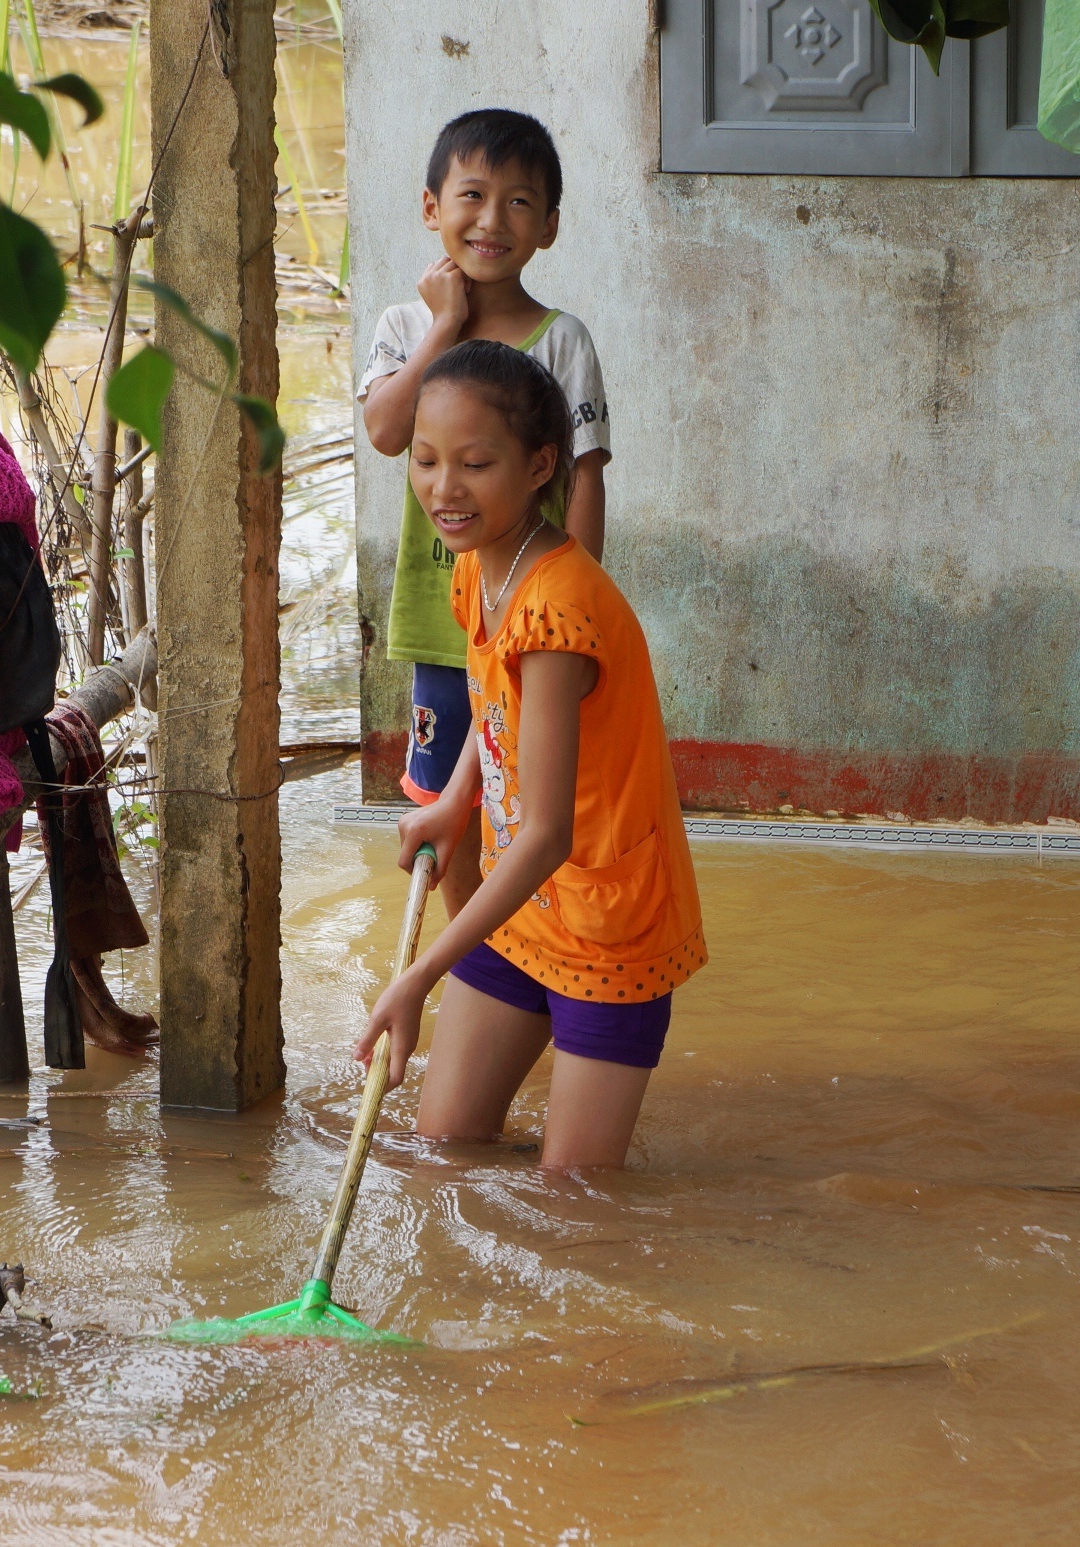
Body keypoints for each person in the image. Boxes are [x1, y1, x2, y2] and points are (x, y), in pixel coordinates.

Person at [354, 341, 703, 1170]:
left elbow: (546, 832)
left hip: (608, 923)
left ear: (541, 463)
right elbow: (495, 707)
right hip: (527, 907)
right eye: (427, 460)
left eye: (475, 463)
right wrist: (456, 797)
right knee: (443, 1147)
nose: (445, 488)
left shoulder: (560, 609)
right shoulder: (482, 568)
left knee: (571, 1206)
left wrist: (420, 975)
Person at [358, 108, 610, 918]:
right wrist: (445, 325)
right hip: (443, 625)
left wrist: (577, 605)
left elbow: (585, 480)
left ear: (551, 226)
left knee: (532, 799)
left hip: (534, 625)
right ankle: (476, 974)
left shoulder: (563, 341)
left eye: (520, 203)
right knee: (447, 813)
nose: (492, 220)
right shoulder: (407, 327)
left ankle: (537, 958)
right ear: (432, 207)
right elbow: (388, 430)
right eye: (472, 195)